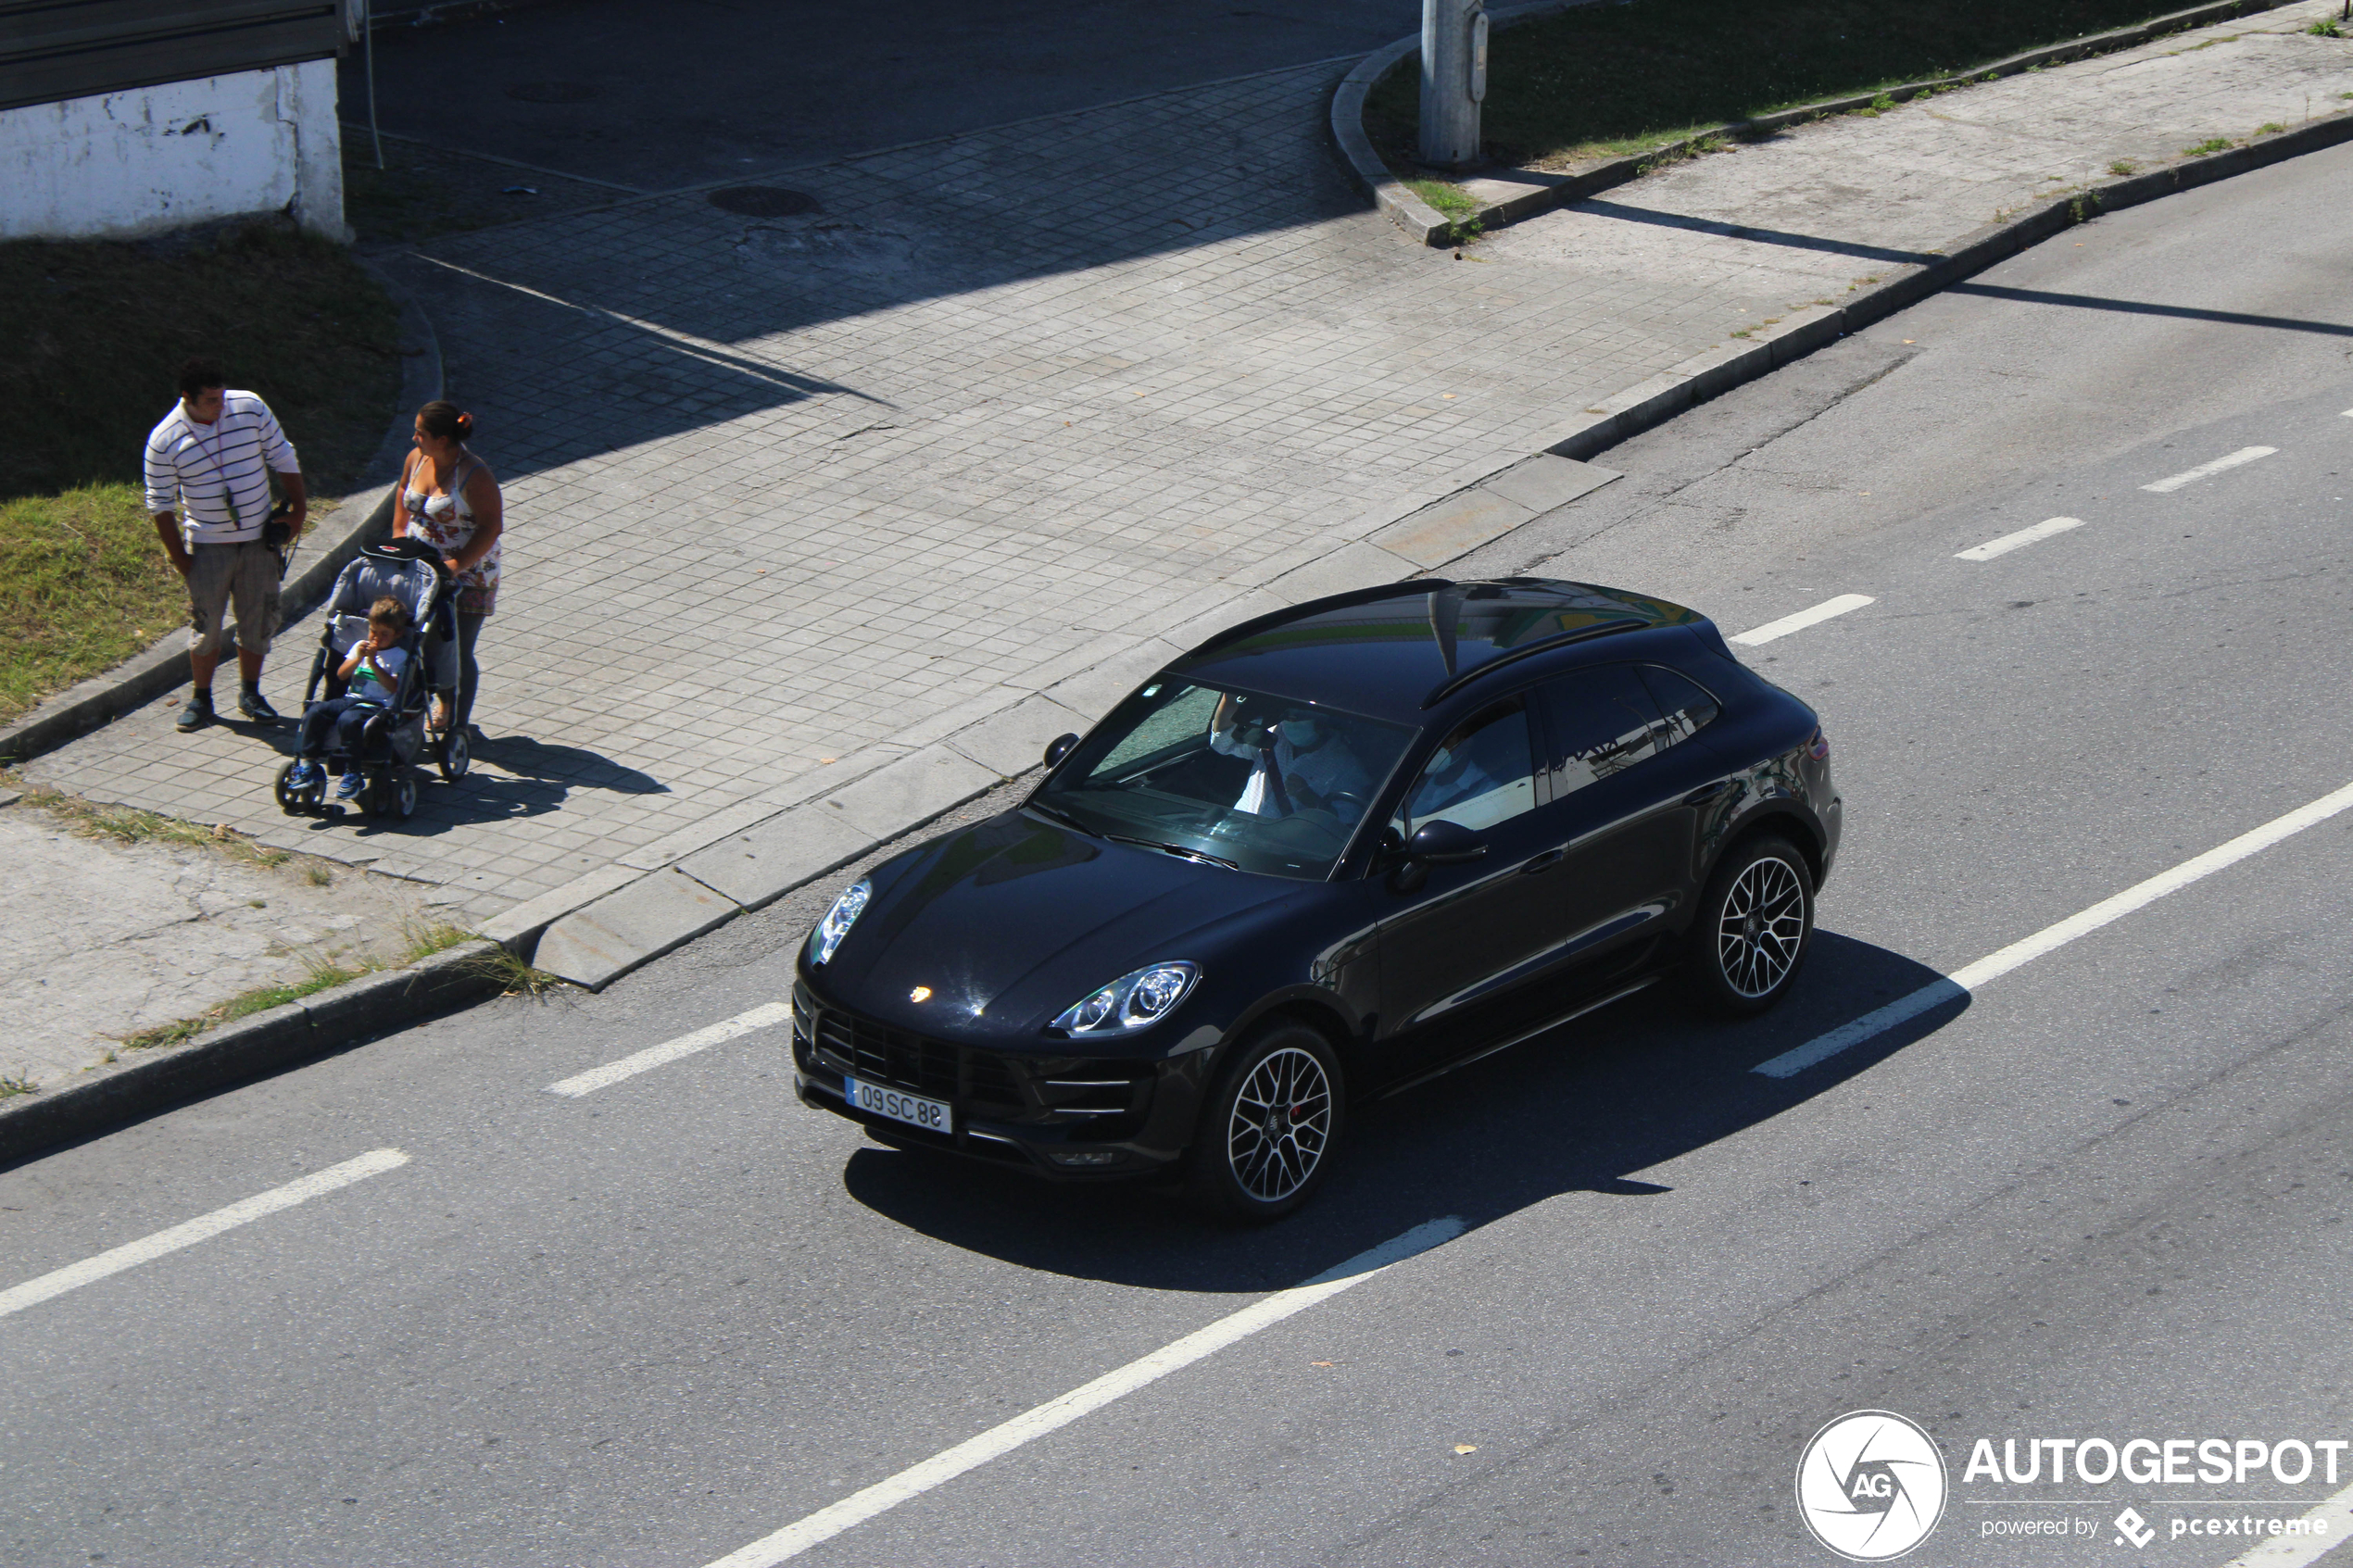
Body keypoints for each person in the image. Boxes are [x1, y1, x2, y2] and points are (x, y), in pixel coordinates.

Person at [145, 358, 308, 732]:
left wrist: (298, 510)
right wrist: (182, 560)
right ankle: (201, 699)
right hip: (209, 547)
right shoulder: (165, 439)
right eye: (211, 401)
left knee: (260, 618)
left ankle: (251, 693)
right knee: (206, 626)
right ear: (187, 398)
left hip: (258, 541)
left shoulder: (249, 406)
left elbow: (282, 453)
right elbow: (160, 504)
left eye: (222, 396)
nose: (221, 407)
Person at [390, 401, 502, 737]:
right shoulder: (417, 459)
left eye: (420, 433)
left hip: (469, 573)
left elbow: (491, 527)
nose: (414, 438)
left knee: (455, 648)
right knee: (417, 642)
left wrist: (455, 566)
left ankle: (458, 722)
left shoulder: (474, 474)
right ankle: (421, 707)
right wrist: (399, 536)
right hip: (420, 569)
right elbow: (401, 492)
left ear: (441, 440)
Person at [288, 597, 410, 801]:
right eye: (373, 631)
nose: (376, 638)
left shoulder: (399, 656)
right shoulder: (359, 647)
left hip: (377, 704)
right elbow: (342, 675)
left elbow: (393, 686)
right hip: (352, 697)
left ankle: (353, 772)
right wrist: (358, 659)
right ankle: (309, 763)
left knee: (350, 720)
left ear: (397, 634)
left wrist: (373, 663)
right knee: (316, 711)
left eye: (384, 634)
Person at [1207, 696, 1372, 821]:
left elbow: (1345, 823)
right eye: (1288, 715)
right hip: (1237, 830)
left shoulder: (1346, 767)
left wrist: (1311, 799)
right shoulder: (1274, 733)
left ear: (1322, 723)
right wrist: (1229, 698)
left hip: (1285, 851)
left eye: (1298, 717)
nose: (1290, 721)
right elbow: (1222, 744)